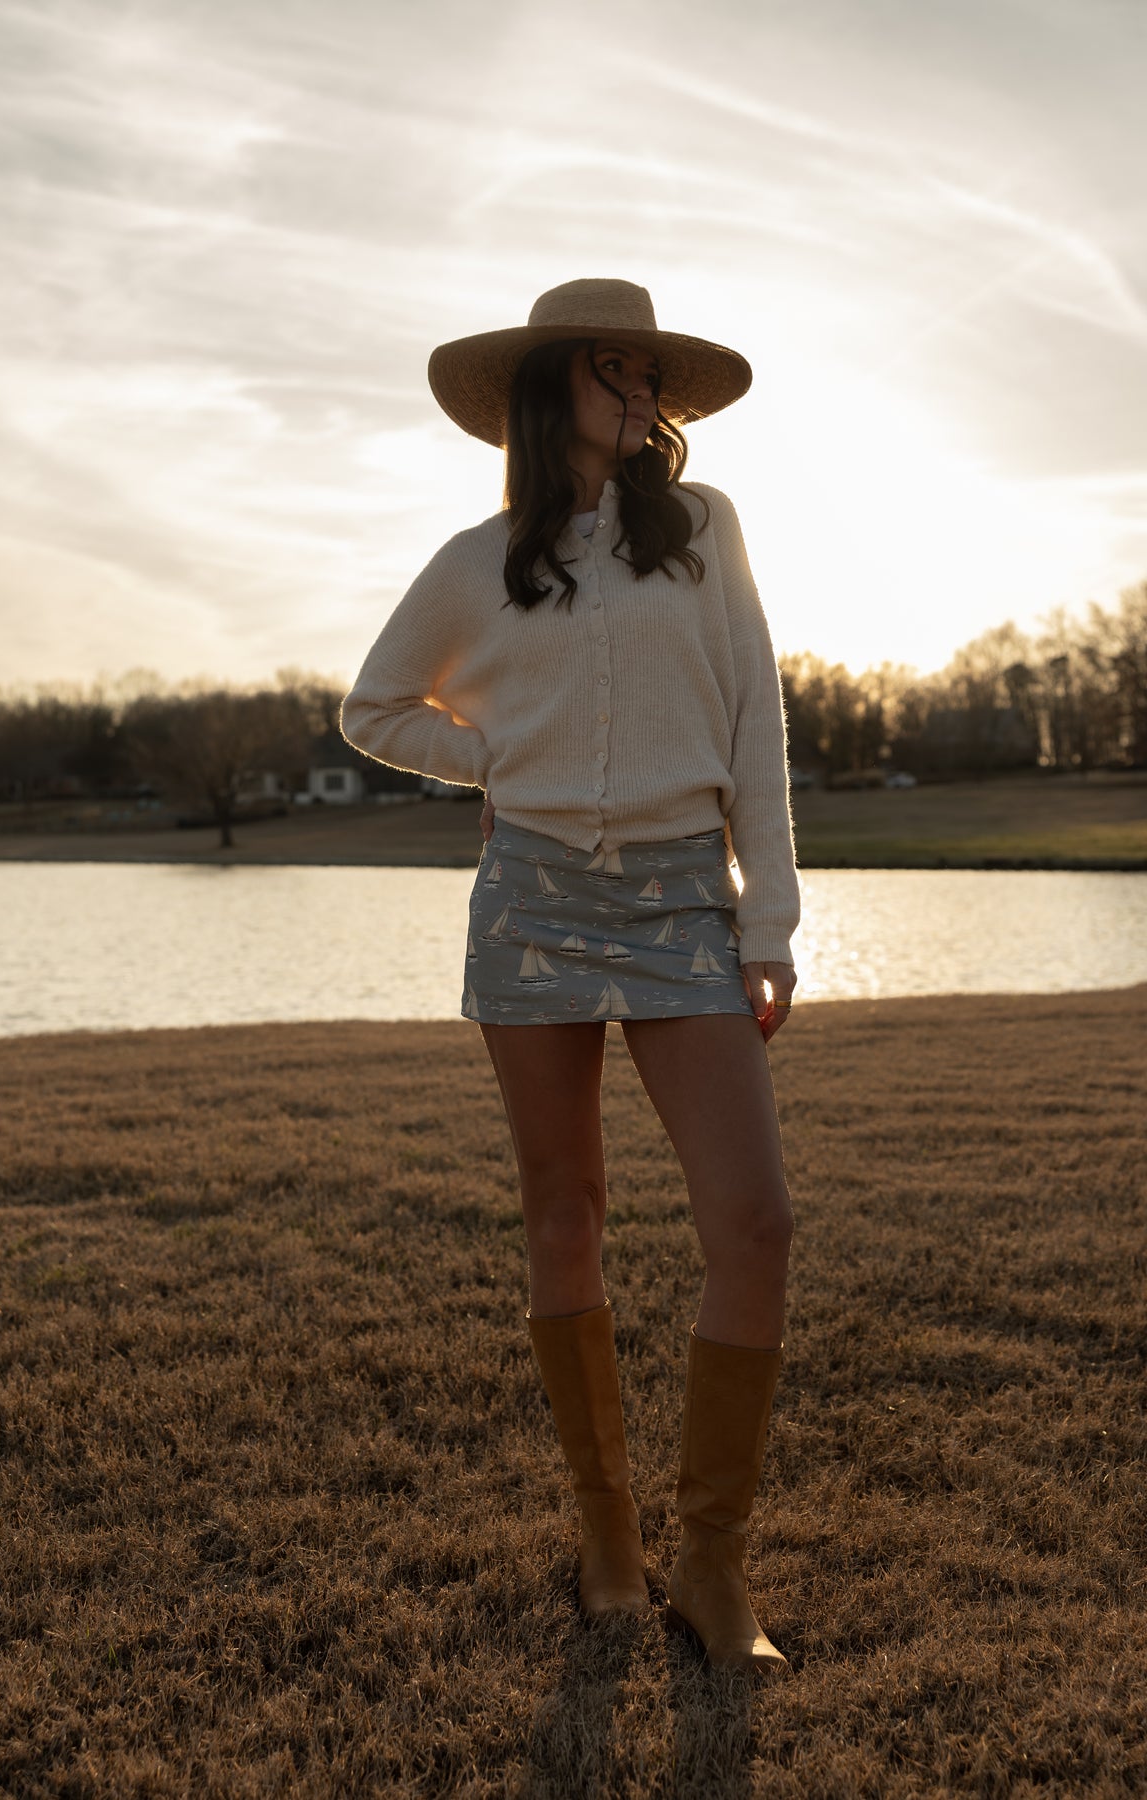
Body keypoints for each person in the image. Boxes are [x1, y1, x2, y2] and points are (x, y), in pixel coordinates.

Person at [340, 278, 799, 1677]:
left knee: (757, 1224)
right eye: (616, 372)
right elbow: (372, 709)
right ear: (553, 394)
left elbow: (754, 710)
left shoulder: (704, 532)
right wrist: (500, 758)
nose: (643, 397)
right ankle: (609, 1536)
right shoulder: (479, 560)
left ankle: (710, 1562)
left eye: (652, 376)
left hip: (680, 903)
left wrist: (767, 917)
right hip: (532, 899)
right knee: (566, 1213)